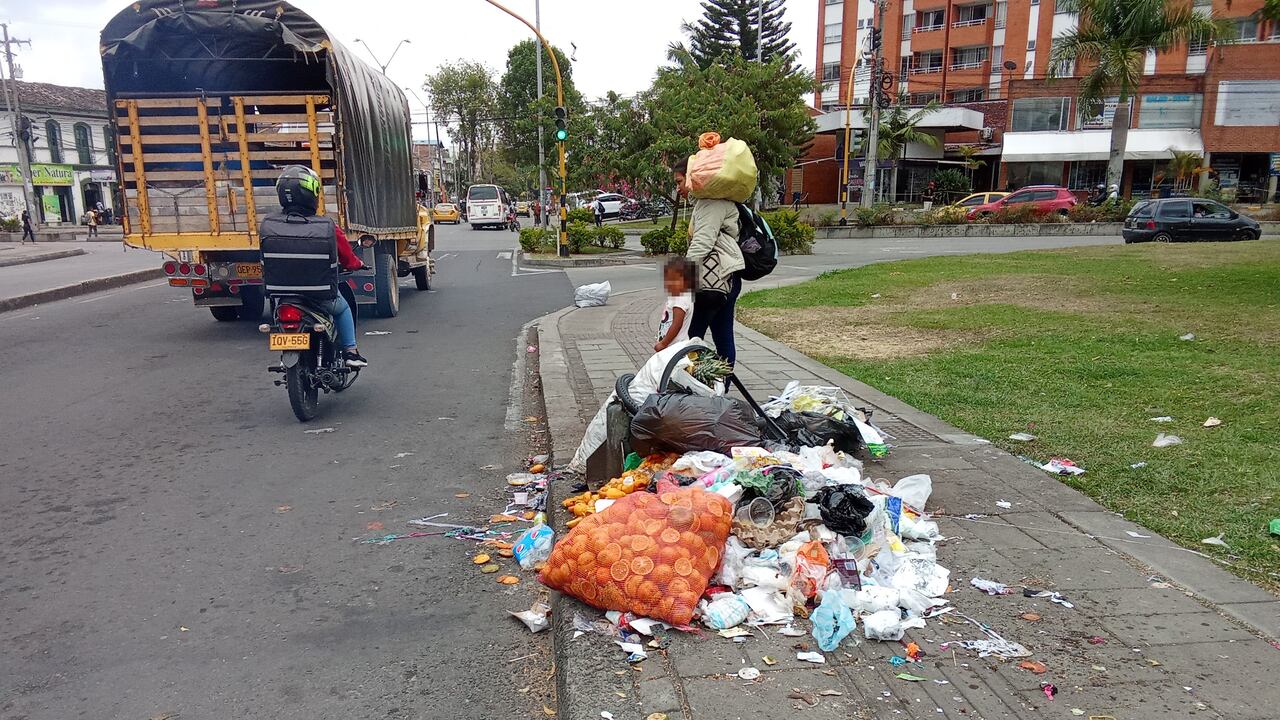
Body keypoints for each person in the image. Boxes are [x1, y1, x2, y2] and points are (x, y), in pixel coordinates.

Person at [260, 165, 368, 367]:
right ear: (313, 194)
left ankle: (287, 356)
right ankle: (351, 352)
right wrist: (357, 264)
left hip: (282, 295)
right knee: (343, 308)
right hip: (320, 295)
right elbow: (348, 258)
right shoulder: (326, 226)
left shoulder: (269, 224)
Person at [672, 157, 745, 366]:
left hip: (713, 281)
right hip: (724, 278)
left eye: (679, 182)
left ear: (692, 177)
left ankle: (698, 388)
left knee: (690, 338)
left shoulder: (710, 204)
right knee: (722, 337)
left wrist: (679, 279)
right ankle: (720, 389)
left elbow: (702, 244)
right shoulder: (710, 202)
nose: (677, 189)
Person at [654, 256, 696, 353]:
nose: (669, 283)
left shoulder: (680, 299)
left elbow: (677, 324)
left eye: (674, 280)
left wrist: (663, 343)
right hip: (672, 345)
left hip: (674, 347)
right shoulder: (679, 295)